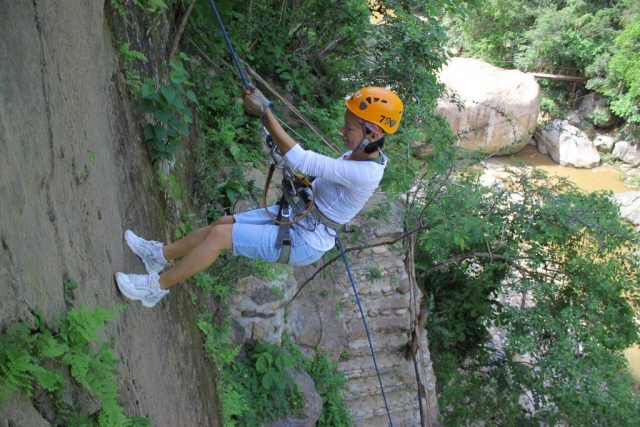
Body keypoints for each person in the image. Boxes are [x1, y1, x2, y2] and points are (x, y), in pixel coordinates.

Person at [115, 86, 403, 307]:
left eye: (349, 127)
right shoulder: (358, 154)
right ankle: (158, 256)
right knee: (221, 224)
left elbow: (303, 160)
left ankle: (155, 289)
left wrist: (266, 111)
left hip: (306, 240)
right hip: (297, 219)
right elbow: (313, 174)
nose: (343, 131)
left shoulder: (365, 172)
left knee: (219, 238)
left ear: (373, 132)